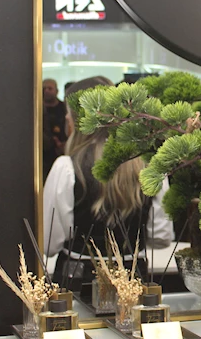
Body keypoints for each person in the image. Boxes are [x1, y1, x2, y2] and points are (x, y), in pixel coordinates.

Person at [43, 76, 174, 290]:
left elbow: (49, 244)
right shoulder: (150, 166)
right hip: (132, 279)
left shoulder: (66, 168)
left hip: (77, 281)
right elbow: (161, 237)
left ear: (78, 120)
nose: (65, 116)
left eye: (68, 112)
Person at [43, 79, 68, 178]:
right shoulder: (35, 109)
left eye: (50, 88)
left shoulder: (64, 108)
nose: (46, 91)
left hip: (62, 151)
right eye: (44, 88)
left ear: (56, 91)